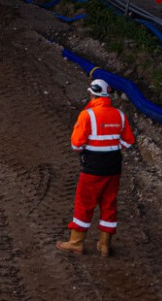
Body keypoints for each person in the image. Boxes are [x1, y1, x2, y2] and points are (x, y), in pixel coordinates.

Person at [56, 77, 136, 256]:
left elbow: (76, 145)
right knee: (109, 204)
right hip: (114, 167)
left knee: (84, 203)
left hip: (93, 167)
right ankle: (105, 245)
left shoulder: (87, 115)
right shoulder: (120, 115)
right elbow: (128, 141)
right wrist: (110, 146)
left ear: (92, 94)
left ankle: (76, 242)